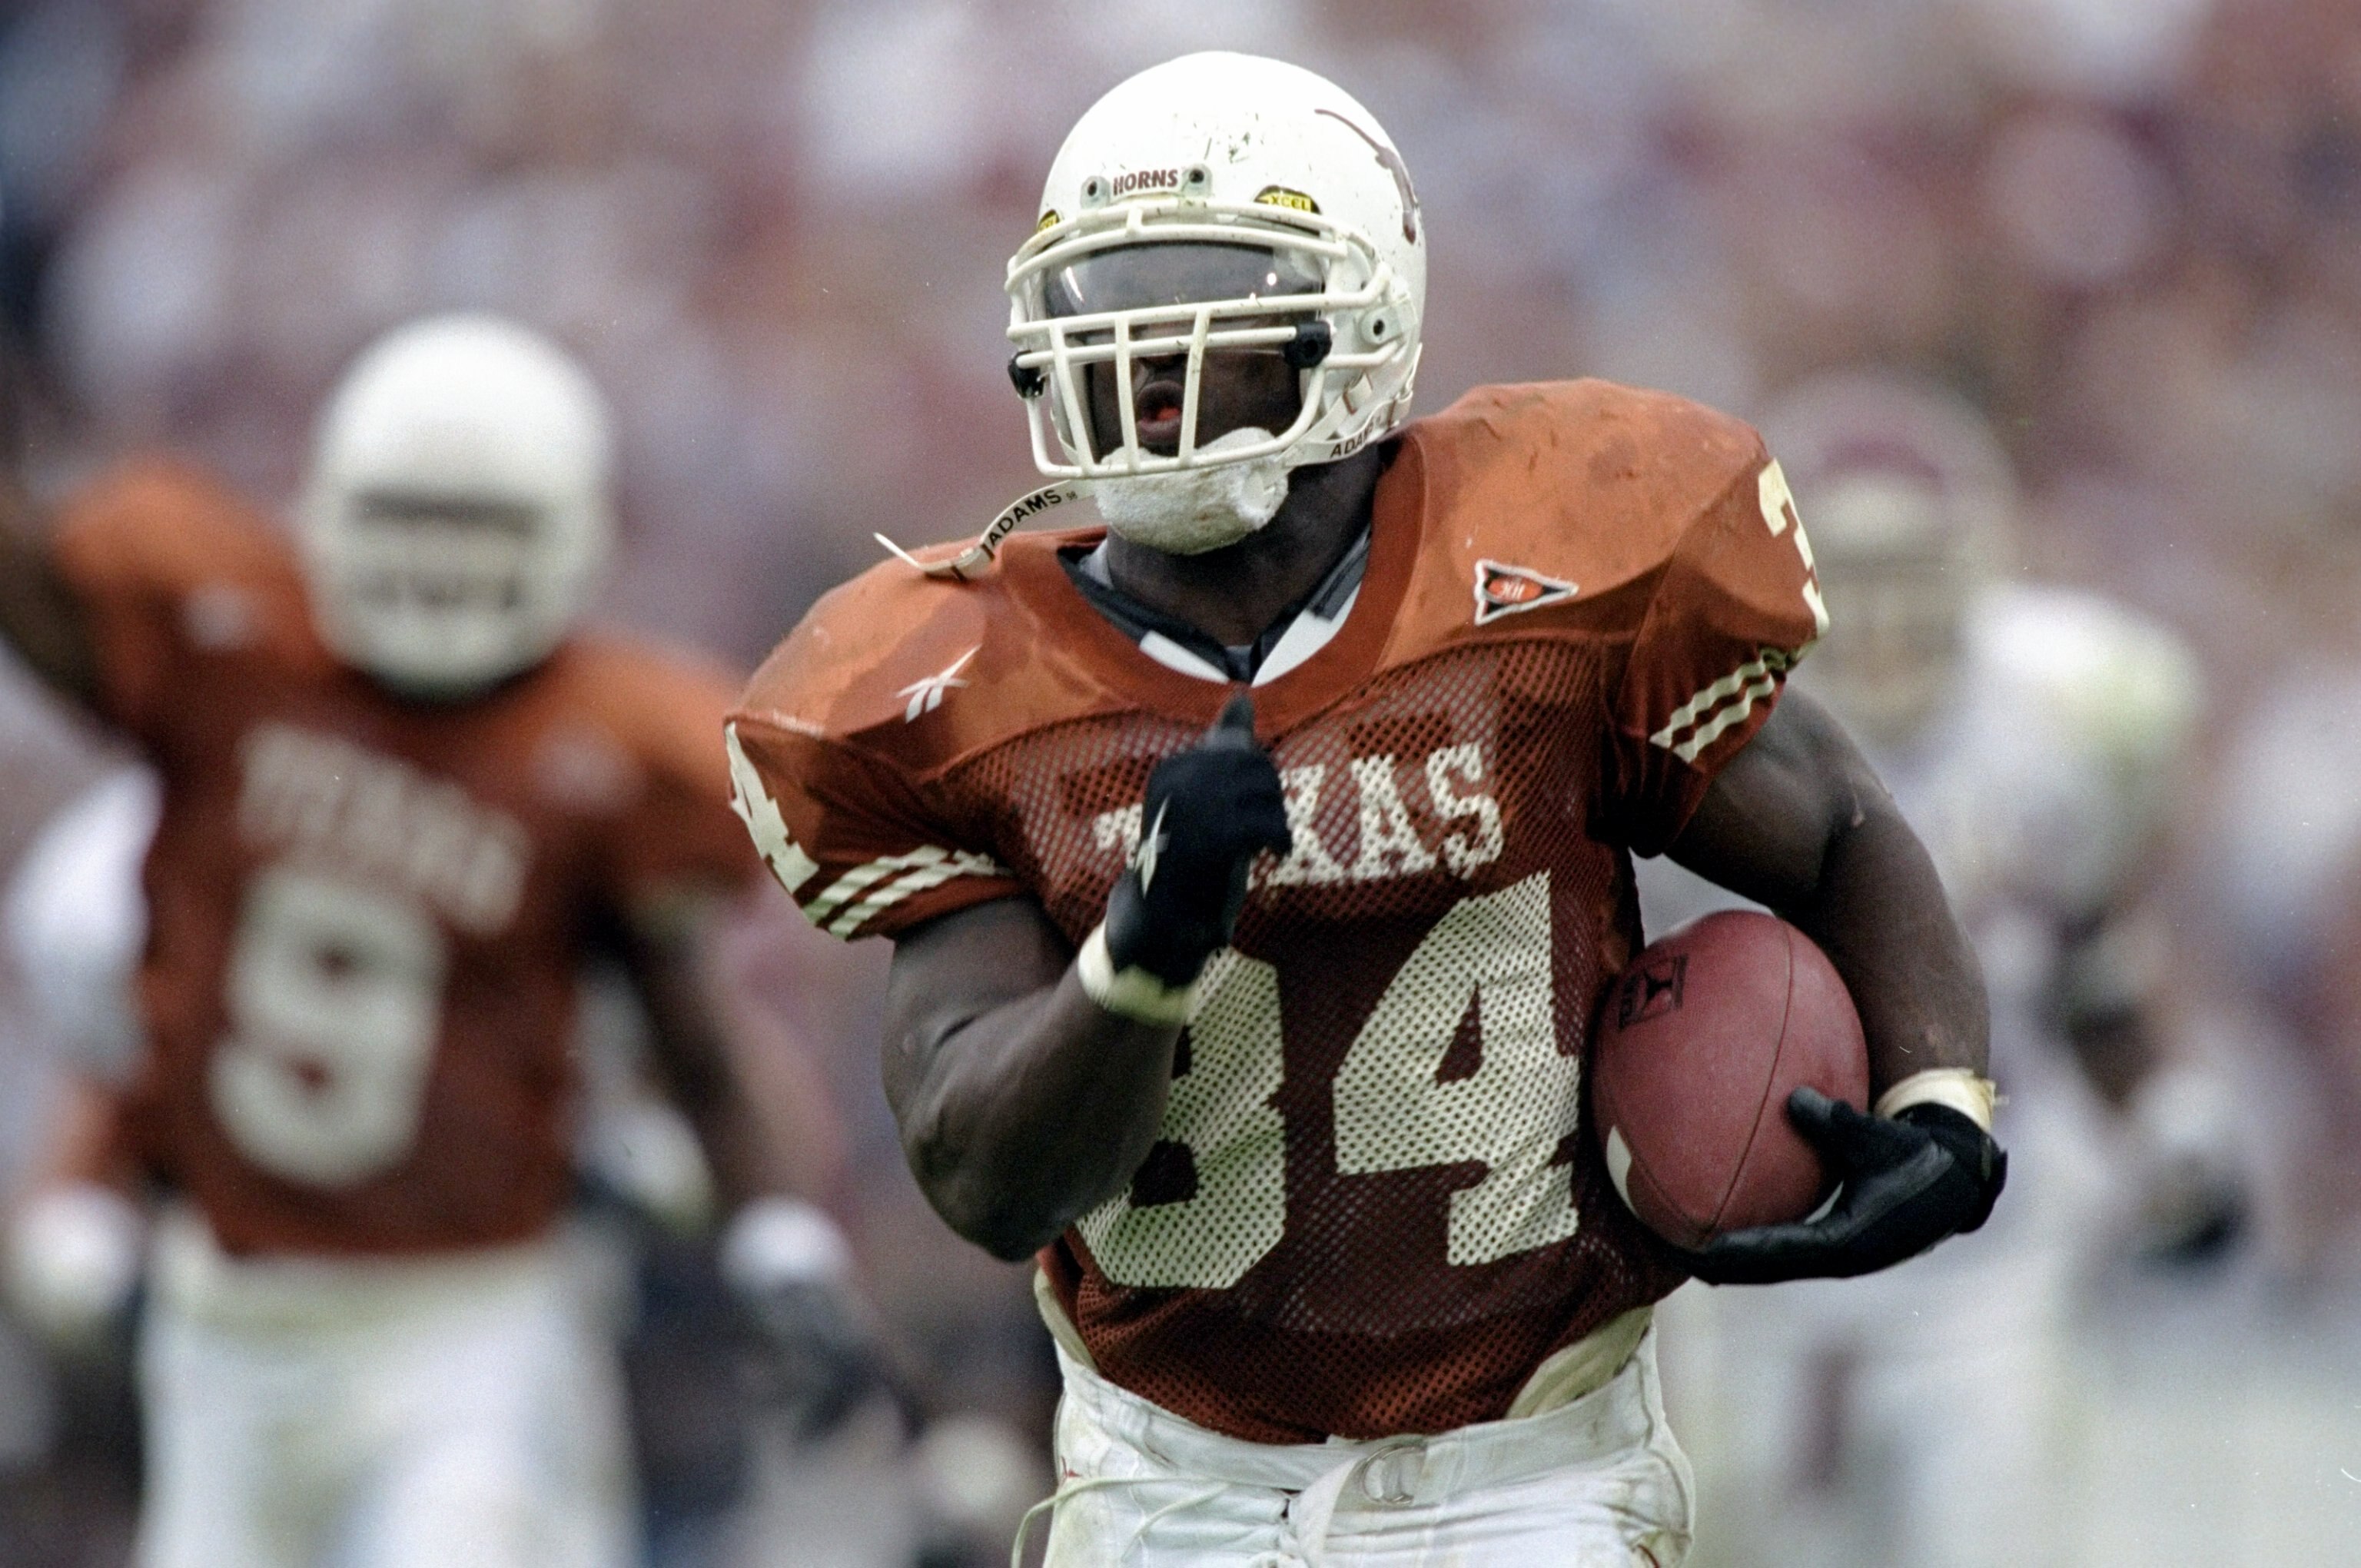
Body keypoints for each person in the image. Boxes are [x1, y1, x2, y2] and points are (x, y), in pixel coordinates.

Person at [726, 53, 2004, 1567]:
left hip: (1532, 1460)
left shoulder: (1551, 575)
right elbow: (984, 1178)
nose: (1150, 361)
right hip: (1171, 1476)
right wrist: (1141, 954)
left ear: (1364, 315)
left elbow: (1836, 820)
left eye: (1219, 301)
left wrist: (1943, 1101)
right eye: (1109, 302)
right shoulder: (951, 688)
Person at [0, 314, 871, 1568]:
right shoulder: (224, 643)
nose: (440, 575)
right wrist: (78, 1234)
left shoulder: (607, 746)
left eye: (482, 535)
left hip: (471, 1322)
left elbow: (698, 1039)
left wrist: (779, 1235)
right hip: (226, 1320)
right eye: (412, 525)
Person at [1638, 371, 2236, 1568]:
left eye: (1912, 572)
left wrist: (2173, 1124)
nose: (1886, 614)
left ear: (1978, 567)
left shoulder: (2061, 721)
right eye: (1853, 578)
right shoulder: (1703, 733)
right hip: (1753, 1262)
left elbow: (2095, 965)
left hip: (1987, 1266)